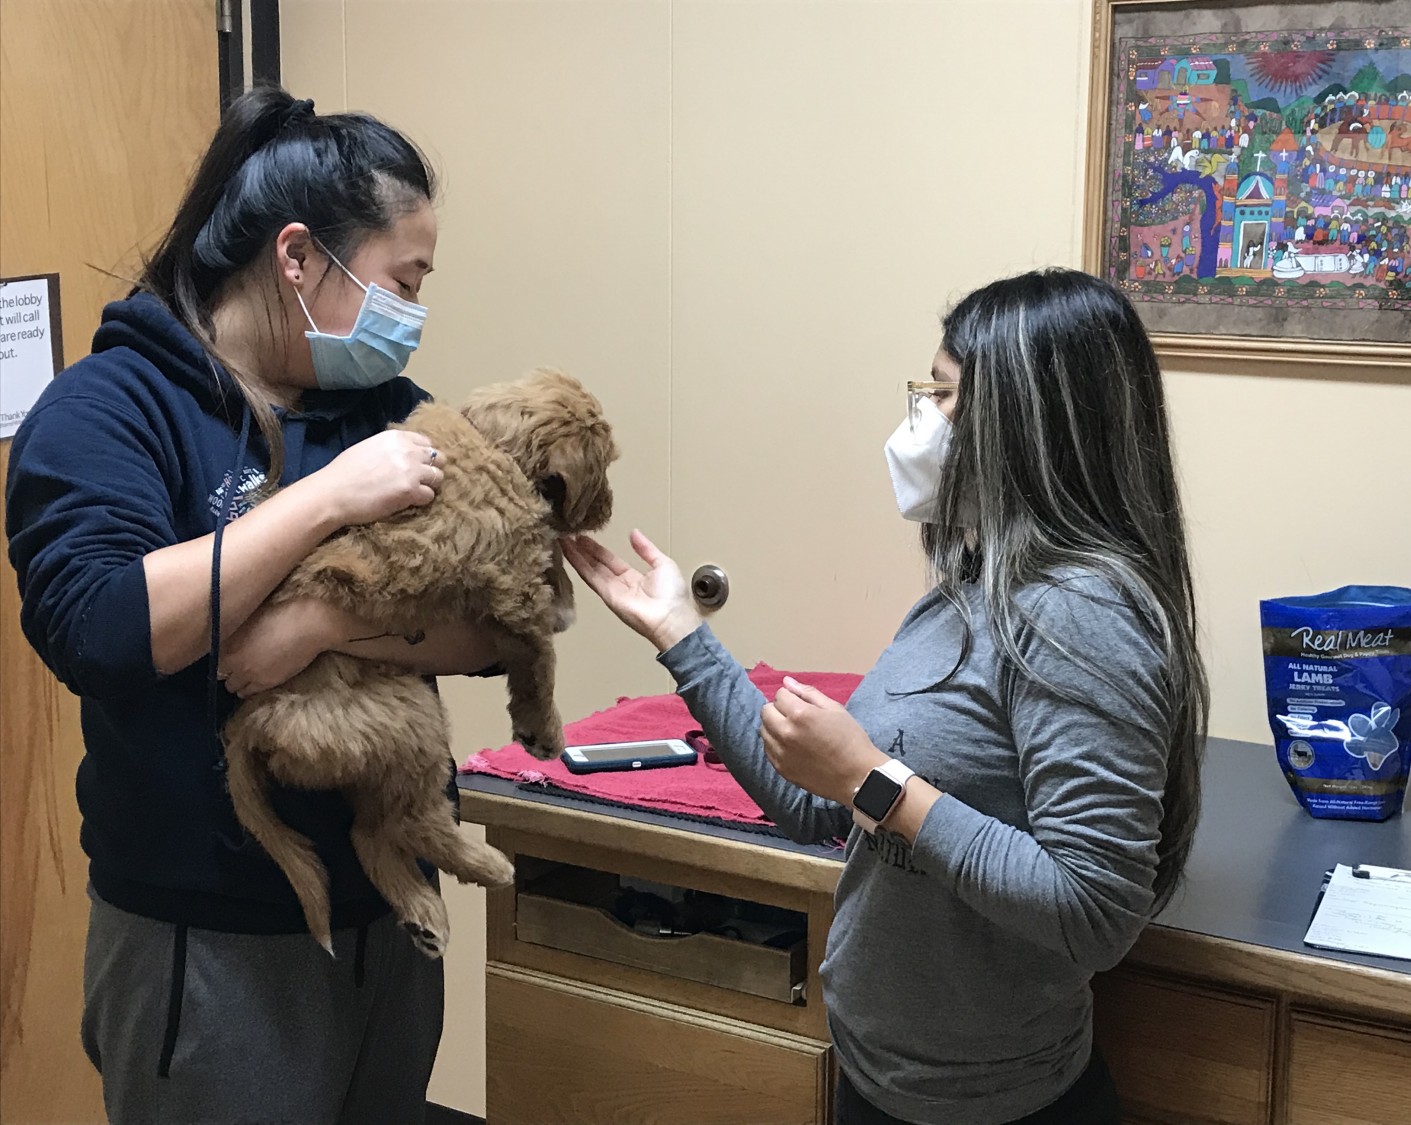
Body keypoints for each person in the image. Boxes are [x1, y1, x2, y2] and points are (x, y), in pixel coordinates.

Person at [564, 268, 1209, 1125]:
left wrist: (877, 781)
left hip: (997, 1107)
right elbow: (811, 796)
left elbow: (1094, 909)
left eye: (944, 397)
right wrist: (682, 636)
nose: (919, 424)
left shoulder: (1081, 612)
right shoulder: (967, 588)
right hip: (879, 1083)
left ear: (1026, 424)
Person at [5, 85, 504, 1124]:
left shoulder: (378, 410)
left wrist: (321, 625)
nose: (412, 312)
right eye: (401, 281)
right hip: (210, 936)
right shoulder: (109, 410)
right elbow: (104, 627)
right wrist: (328, 499)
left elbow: (497, 618)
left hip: (388, 913)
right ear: (296, 257)